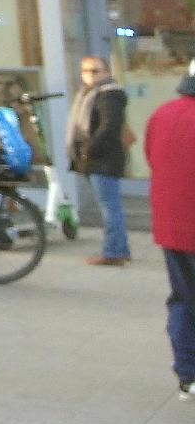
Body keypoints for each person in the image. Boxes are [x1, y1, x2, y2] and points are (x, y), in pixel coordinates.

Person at [146, 61, 195, 399]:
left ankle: (188, 376)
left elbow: (153, 158)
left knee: (183, 299)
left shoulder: (161, 114)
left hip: (172, 230)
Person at [70, 54, 133, 266]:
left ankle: (113, 252)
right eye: (85, 71)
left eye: (95, 71)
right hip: (95, 159)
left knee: (110, 207)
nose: (89, 75)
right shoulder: (87, 94)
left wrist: (89, 149)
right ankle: (119, 249)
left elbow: (109, 127)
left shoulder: (109, 95)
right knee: (110, 206)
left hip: (103, 159)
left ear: (106, 73)